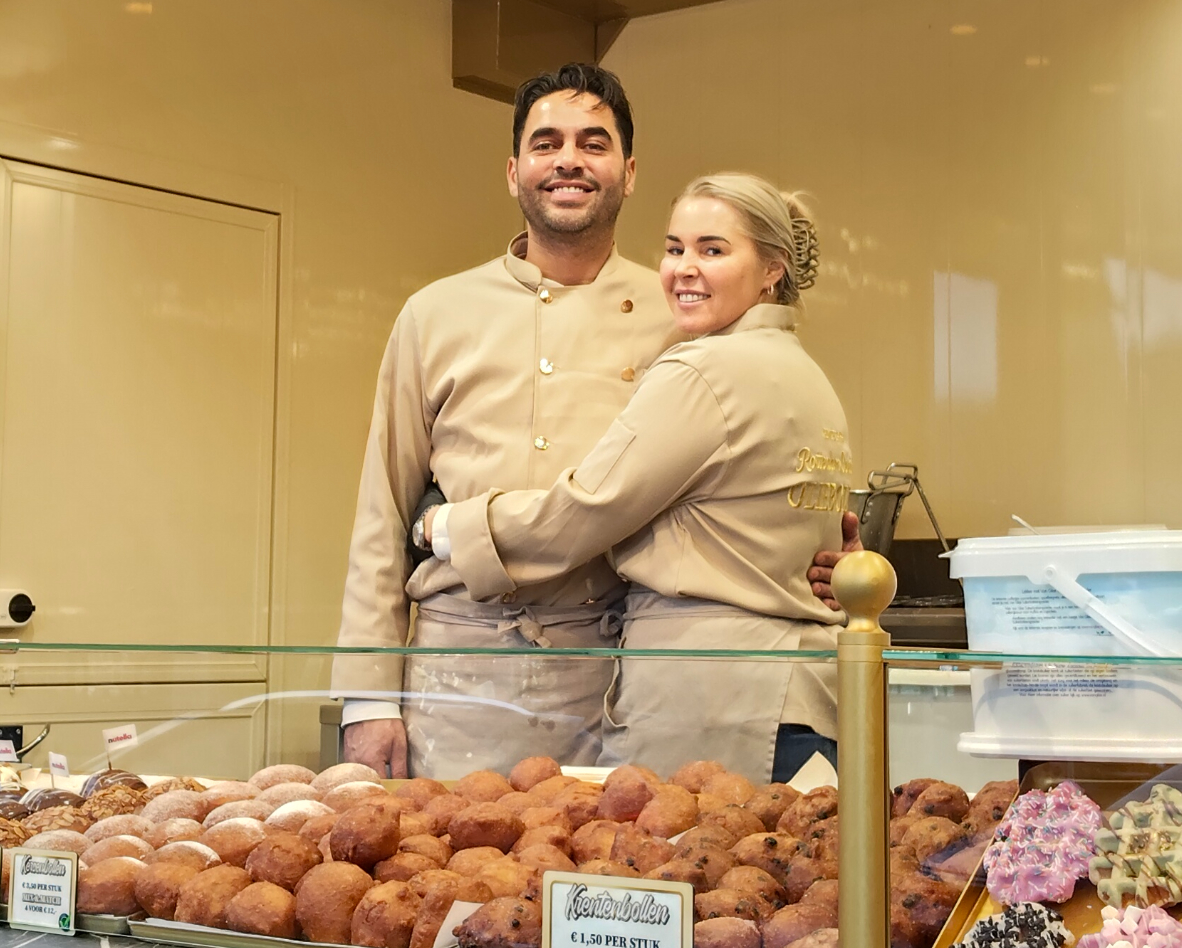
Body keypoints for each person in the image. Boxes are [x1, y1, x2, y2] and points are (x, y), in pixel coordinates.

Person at [332, 63, 860, 779]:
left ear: (629, 172)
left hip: (612, 679)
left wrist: (817, 556)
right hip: (458, 677)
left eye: (593, 143)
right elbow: (382, 512)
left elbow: (759, 458)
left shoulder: (686, 313)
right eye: (546, 143)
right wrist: (367, 697)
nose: (568, 161)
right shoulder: (434, 313)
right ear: (513, 171)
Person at [420, 173, 850, 782]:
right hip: (801, 696)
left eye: (713, 250)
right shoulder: (806, 374)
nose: (684, 269)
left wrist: (443, 527)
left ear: (772, 269)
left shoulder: (702, 371)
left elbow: (584, 509)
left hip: (717, 704)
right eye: (675, 248)